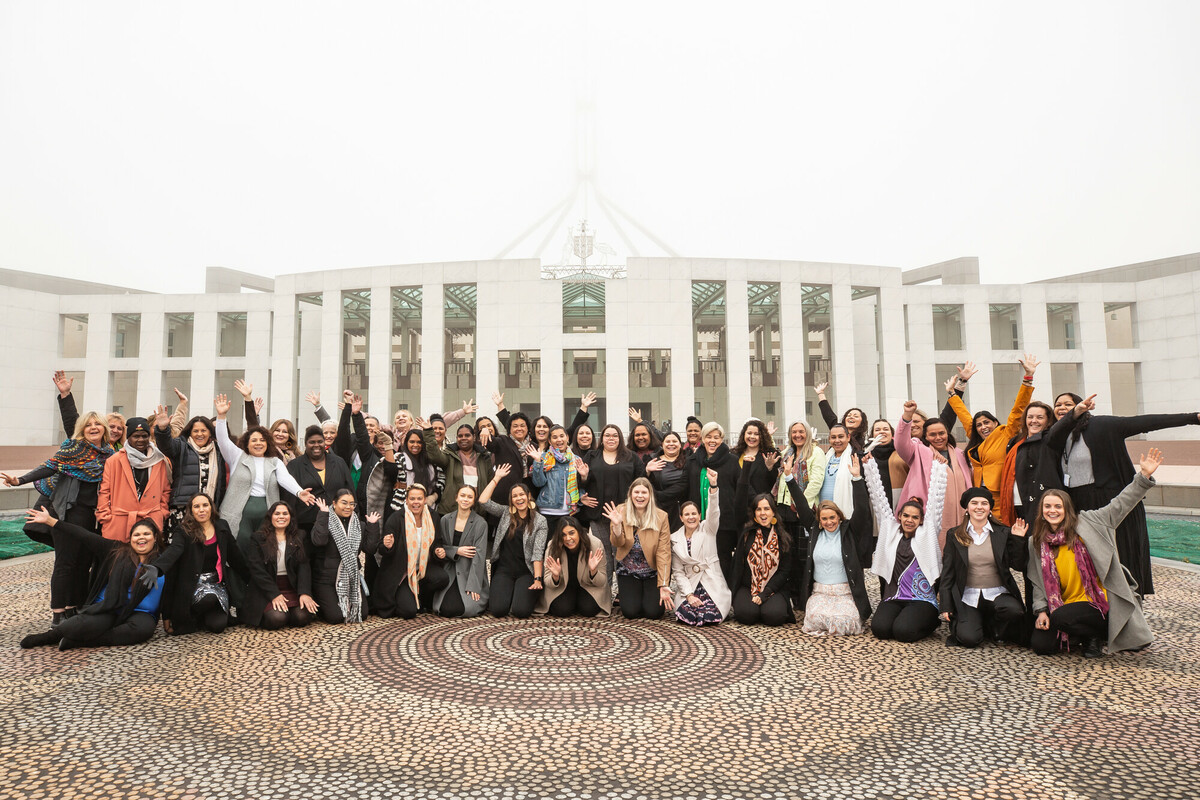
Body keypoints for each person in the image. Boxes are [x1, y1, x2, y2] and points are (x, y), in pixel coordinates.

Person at [1051, 392, 1200, 597]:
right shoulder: (1057, 437)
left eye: (1068, 404)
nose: (1061, 407)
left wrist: (1193, 418)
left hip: (1112, 501)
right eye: (1057, 404)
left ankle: (1130, 607)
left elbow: (1144, 422)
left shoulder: (1102, 425)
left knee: (1122, 561)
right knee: (1090, 564)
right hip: (1079, 505)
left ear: (1081, 407)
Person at [1028, 449, 1162, 657]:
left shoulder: (1091, 522)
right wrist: (1041, 611)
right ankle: (1083, 634)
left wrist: (1143, 478)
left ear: (1067, 510)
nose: (1052, 510)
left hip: (1100, 601)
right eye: (1047, 506)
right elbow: (1038, 581)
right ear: (1042, 511)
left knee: (1061, 618)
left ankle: (1095, 635)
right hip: (1064, 605)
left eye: (1058, 506)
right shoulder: (1037, 541)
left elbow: (1120, 504)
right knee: (1042, 646)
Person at [4, 408, 113, 623]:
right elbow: (49, 466)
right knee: (66, 562)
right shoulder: (72, 449)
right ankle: (58, 613)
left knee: (84, 563)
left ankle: (73, 608)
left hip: (94, 516)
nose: (93, 428)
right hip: (68, 513)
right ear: (82, 429)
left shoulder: (109, 454)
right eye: (88, 424)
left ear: (104, 428)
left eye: (97, 424)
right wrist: (20, 480)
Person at [19, 511, 175, 650]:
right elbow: (85, 536)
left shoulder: (165, 560)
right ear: (131, 538)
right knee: (81, 624)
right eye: (137, 534)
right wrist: (52, 522)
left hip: (142, 613)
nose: (141, 538)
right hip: (110, 607)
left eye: (146, 534)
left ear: (155, 538)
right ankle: (50, 637)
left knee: (141, 631)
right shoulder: (117, 551)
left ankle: (80, 642)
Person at [865, 450, 948, 643]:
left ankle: (930, 621)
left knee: (903, 632)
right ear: (899, 516)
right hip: (895, 596)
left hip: (921, 599)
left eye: (915, 517)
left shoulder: (928, 532)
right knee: (880, 630)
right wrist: (870, 467)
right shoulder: (890, 530)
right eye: (906, 516)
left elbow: (936, 503)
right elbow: (879, 501)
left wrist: (938, 468)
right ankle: (904, 619)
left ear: (921, 520)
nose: (909, 520)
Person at [213, 393, 314, 545]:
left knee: (263, 550)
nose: (258, 443)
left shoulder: (274, 462)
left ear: (268, 443)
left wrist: (299, 492)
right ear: (247, 443)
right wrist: (221, 417)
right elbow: (222, 440)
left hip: (266, 513)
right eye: (254, 440)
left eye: (262, 440)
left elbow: (285, 479)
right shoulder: (237, 456)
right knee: (240, 546)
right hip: (239, 514)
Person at [788, 454, 873, 636]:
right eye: (824, 519)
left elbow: (863, 509)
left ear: (839, 517)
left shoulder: (849, 531)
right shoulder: (815, 531)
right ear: (819, 520)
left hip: (845, 593)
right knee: (816, 620)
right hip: (821, 592)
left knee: (845, 623)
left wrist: (857, 478)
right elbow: (802, 505)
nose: (829, 522)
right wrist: (789, 478)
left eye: (832, 518)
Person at [938, 487, 1028, 648]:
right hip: (968, 595)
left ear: (989, 508)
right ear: (967, 508)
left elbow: (1018, 565)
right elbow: (947, 572)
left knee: (1015, 611)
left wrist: (1018, 540)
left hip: (997, 593)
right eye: (974, 503)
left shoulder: (1003, 532)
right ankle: (976, 622)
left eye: (984, 503)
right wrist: (946, 605)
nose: (979, 507)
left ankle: (995, 626)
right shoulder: (955, 535)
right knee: (969, 639)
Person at [160, 493, 253, 635]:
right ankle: (189, 614)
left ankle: (202, 616)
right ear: (191, 511)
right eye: (196, 506)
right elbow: (173, 553)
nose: (201, 509)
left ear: (211, 507)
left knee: (218, 626)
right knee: (208, 599)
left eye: (205, 505)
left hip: (217, 585)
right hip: (193, 587)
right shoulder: (183, 531)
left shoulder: (222, 527)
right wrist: (166, 614)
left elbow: (236, 559)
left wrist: (252, 581)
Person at [948, 356, 1038, 492]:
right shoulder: (976, 438)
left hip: (1001, 491)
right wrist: (953, 390)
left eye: (986, 422)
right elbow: (963, 414)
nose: (983, 427)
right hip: (979, 493)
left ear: (995, 423)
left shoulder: (1006, 433)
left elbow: (1018, 409)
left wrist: (1028, 377)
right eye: (979, 425)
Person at [894, 400, 973, 543]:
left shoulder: (960, 454)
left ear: (948, 433)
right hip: (933, 517)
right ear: (926, 436)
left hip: (961, 515)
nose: (938, 438)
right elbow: (900, 443)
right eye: (932, 434)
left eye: (942, 433)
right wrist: (907, 416)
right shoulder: (917, 451)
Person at [479, 464, 547, 618]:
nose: (519, 498)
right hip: (504, 570)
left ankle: (519, 595)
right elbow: (483, 501)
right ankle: (508, 594)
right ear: (511, 500)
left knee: (521, 611)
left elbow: (537, 552)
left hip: (526, 571)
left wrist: (537, 579)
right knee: (498, 610)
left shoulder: (540, 521)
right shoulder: (505, 513)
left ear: (528, 496)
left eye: (521, 494)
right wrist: (497, 478)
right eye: (515, 496)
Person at [995, 399, 1077, 526]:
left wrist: (1078, 410)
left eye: (1040, 417)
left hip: (1042, 504)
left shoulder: (1050, 440)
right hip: (1016, 504)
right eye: (1030, 417)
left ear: (1048, 421)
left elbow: (1063, 426)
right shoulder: (1014, 443)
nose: (1034, 421)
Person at [241, 502, 319, 630]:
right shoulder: (258, 538)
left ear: (290, 517)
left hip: (291, 586)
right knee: (277, 618)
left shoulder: (300, 536)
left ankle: (289, 612)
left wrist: (304, 593)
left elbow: (304, 566)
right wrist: (274, 594)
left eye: (285, 513)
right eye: (277, 513)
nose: (281, 516)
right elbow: (257, 571)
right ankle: (276, 613)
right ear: (270, 517)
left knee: (302, 617)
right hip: (268, 588)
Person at [582, 423, 646, 578]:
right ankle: (605, 594)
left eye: (615, 435)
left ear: (620, 438)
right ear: (602, 438)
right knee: (602, 554)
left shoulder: (631, 457)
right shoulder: (591, 456)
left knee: (622, 553)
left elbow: (641, 482)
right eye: (607, 435)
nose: (611, 438)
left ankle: (623, 595)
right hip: (598, 514)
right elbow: (581, 482)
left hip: (624, 515)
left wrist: (633, 504)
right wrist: (583, 479)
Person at [604, 477, 673, 620]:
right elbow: (617, 543)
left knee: (653, 612)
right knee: (630, 612)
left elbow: (663, 552)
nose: (640, 496)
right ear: (630, 494)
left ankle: (647, 595)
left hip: (651, 571)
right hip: (628, 570)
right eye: (636, 492)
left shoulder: (661, 516)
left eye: (644, 492)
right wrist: (617, 525)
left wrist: (664, 584)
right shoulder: (620, 511)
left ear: (650, 495)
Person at [95, 415, 172, 542]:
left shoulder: (159, 460)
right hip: (119, 522)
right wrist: (105, 516)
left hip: (150, 520)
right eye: (136, 436)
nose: (140, 440)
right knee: (119, 559)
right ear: (128, 437)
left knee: (148, 558)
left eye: (144, 436)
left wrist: (162, 513)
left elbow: (165, 490)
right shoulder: (114, 460)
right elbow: (104, 491)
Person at [374, 485, 447, 619]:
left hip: (423, 568)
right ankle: (403, 595)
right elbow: (382, 549)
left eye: (419, 498)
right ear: (406, 500)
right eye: (412, 499)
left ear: (425, 500)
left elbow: (437, 542)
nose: (416, 502)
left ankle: (421, 597)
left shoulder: (433, 517)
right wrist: (387, 546)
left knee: (442, 578)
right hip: (403, 571)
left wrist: (438, 550)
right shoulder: (396, 518)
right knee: (408, 612)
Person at [310, 489, 381, 624]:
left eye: (351, 504)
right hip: (326, 579)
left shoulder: (359, 525)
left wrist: (372, 526)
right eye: (344, 503)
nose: (348, 507)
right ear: (334, 503)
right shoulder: (325, 519)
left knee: (363, 613)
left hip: (351, 578)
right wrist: (323, 515)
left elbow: (370, 549)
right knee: (336, 617)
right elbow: (319, 541)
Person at [687, 422, 742, 585]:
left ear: (721, 439)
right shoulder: (693, 461)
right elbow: (684, 487)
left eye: (716, 437)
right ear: (702, 439)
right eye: (708, 437)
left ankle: (724, 596)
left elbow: (741, 489)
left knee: (722, 559)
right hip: (697, 522)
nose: (712, 441)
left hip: (724, 523)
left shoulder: (732, 461)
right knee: (698, 560)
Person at [154, 406, 226, 530]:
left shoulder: (219, 450)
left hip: (207, 510)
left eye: (203, 431)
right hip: (183, 508)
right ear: (190, 433)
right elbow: (166, 446)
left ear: (210, 432)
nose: (200, 434)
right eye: (195, 431)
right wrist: (162, 429)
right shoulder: (182, 446)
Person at [670, 482, 731, 626]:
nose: (691, 517)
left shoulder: (708, 528)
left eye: (694, 514)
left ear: (699, 515)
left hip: (711, 581)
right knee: (687, 614)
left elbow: (714, 511)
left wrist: (714, 487)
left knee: (710, 615)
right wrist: (689, 595)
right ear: (681, 517)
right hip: (691, 583)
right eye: (687, 514)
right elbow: (678, 572)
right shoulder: (675, 539)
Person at [730, 494, 794, 626]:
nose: (763, 513)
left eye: (767, 509)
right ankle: (755, 608)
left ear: (773, 512)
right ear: (754, 513)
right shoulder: (747, 533)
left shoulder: (783, 538)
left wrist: (765, 594)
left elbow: (784, 572)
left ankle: (766, 607)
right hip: (748, 586)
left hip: (773, 588)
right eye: (759, 509)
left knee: (774, 616)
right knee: (747, 615)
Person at [431, 485, 490, 618]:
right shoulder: (445, 519)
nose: (465, 499)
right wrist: (457, 551)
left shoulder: (481, 523)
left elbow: (479, 557)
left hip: (469, 571)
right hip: (449, 569)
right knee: (443, 609)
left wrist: (474, 586)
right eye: (462, 495)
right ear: (456, 498)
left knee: (466, 609)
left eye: (470, 497)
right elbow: (441, 546)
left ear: (473, 501)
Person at [536, 516, 610, 618]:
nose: (568, 538)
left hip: (588, 585)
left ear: (579, 532)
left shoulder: (595, 544)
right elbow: (548, 583)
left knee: (588, 610)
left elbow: (601, 582)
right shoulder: (553, 546)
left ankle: (577, 602)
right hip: (563, 585)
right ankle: (572, 602)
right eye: (563, 535)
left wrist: (593, 571)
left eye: (571, 533)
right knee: (561, 610)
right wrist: (555, 576)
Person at [423, 420, 494, 516]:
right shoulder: (449, 455)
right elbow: (434, 455)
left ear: (473, 437)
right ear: (456, 438)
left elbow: (490, 483)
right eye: (460, 436)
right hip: (452, 511)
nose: (463, 438)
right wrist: (428, 432)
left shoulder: (484, 457)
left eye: (467, 435)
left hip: (478, 512)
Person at [529, 424, 582, 521]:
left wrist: (584, 477)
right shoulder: (543, 458)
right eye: (554, 437)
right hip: (547, 511)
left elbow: (580, 485)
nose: (559, 440)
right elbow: (538, 483)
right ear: (549, 441)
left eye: (562, 436)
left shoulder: (576, 459)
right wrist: (537, 461)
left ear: (567, 438)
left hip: (570, 513)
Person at [645, 431, 690, 530]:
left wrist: (659, 495)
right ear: (662, 444)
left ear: (680, 444)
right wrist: (647, 471)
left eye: (674, 441)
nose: (671, 444)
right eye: (667, 441)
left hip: (682, 509)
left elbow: (687, 484)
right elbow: (643, 483)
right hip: (659, 508)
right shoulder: (652, 460)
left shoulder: (689, 460)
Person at [814, 382, 869, 451]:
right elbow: (828, 415)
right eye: (848, 415)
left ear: (862, 422)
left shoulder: (862, 441)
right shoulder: (838, 429)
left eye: (856, 416)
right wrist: (821, 393)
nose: (851, 417)